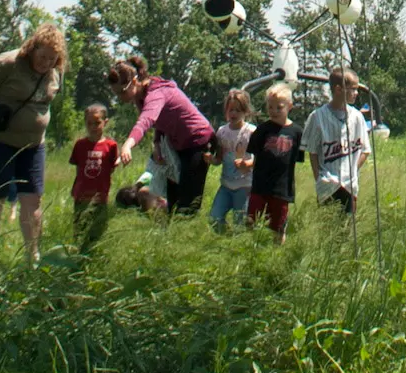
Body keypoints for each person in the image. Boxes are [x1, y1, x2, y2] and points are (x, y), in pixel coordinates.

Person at [0, 23, 65, 260]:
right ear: (32, 48)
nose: (45, 63)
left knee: (32, 200)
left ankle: (32, 256)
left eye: (51, 59)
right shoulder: (9, 63)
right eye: (42, 56)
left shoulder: (55, 73)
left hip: (33, 145)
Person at [109, 55, 214, 216]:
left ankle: (191, 234)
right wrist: (157, 143)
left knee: (187, 205)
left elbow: (147, 120)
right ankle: (170, 235)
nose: (120, 98)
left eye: (122, 92)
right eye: (116, 94)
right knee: (171, 203)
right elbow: (161, 121)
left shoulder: (156, 93)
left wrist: (128, 145)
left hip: (197, 141)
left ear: (134, 81)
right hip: (177, 144)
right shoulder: (140, 97)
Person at [302, 66, 372, 216]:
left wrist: (352, 169)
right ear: (338, 89)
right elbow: (312, 152)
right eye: (352, 89)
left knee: (348, 227)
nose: (356, 93)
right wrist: (319, 178)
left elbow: (365, 150)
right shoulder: (317, 116)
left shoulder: (357, 117)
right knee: (327, 228)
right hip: (327, 185)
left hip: (349, 184)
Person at [243, 82, 302, 238]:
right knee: (251, 220)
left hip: (282, 188)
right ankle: (249, 246)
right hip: (260, 185)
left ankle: (276, 251)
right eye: (270, 107)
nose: (274, 111)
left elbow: (297, 160)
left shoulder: (296, 132)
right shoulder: (262, 130)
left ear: (289, 106)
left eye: (279, 107)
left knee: (277, 226)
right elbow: (253, 156)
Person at [67, 102, 117, 249]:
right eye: (89, 123)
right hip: (81, 196)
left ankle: (94, 256)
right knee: (79, 231)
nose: (93, 127)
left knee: (97, 232)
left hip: (100, 198)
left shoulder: (111, 146)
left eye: (97, 123)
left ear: (105, 122)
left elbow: (111, 169)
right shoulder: (80, 145)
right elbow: (78, 169)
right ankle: (79, 258)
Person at [208, 89, 255, 231]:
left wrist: (246, 164)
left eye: (238, 110)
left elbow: (257, 161)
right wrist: (211, 160)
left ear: (246, 111)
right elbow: (219, 159)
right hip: (226, 186)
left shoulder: (251, 132)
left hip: (244, 186)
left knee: (240, 224)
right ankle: (225, 237)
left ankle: (237, 244)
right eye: (231, 110)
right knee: (214, 218)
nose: (234, 114)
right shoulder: (222, 131)